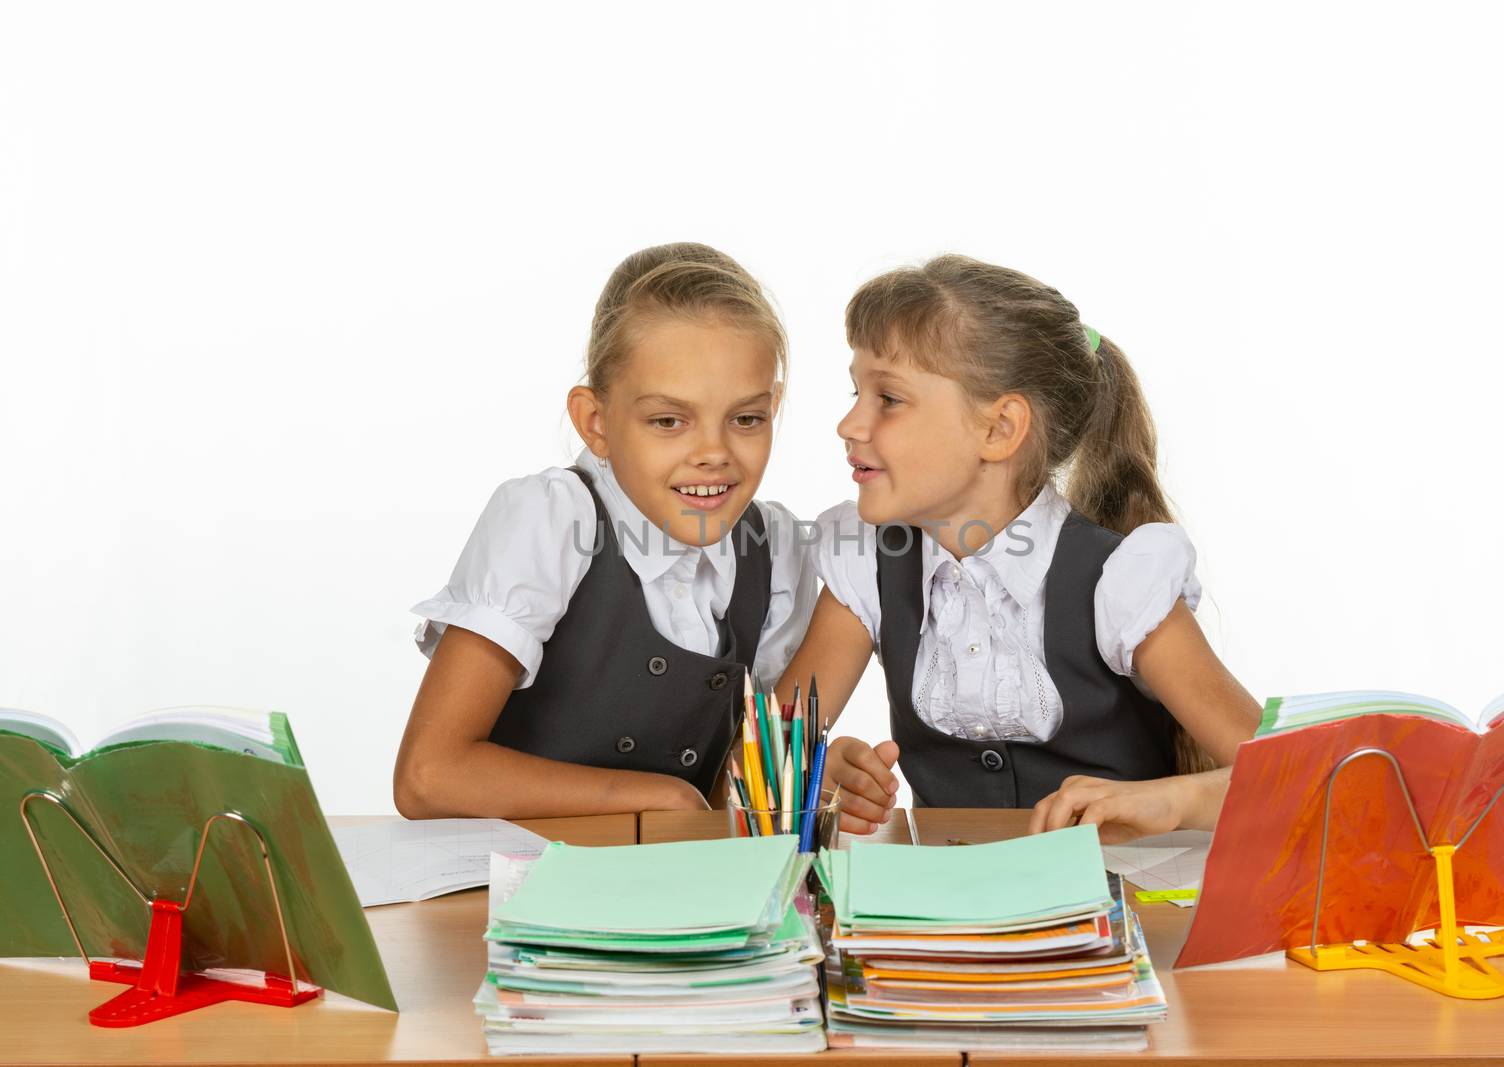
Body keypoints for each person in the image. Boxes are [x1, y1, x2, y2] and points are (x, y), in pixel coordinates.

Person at [778, 254, 1260, 842]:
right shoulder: (864, 564)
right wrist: (814, 772)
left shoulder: (1120, 580)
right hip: (941, 916)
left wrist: (1173, 800)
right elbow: (764, 761)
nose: (849, 424)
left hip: (1116, 908)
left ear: (999, 429)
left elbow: (1297, 776)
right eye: (856, 392)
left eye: (889, 399)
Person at [396, 243, 816, 819]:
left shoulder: (777, 551)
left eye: (747, 418)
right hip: (523, 886)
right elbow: (428, 777)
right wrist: (658, 797)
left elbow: (736, 789)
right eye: (668, 421)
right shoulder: (551, 519)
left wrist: (799, 779)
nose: (714, 454)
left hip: (679, 895)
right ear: (595, 422)